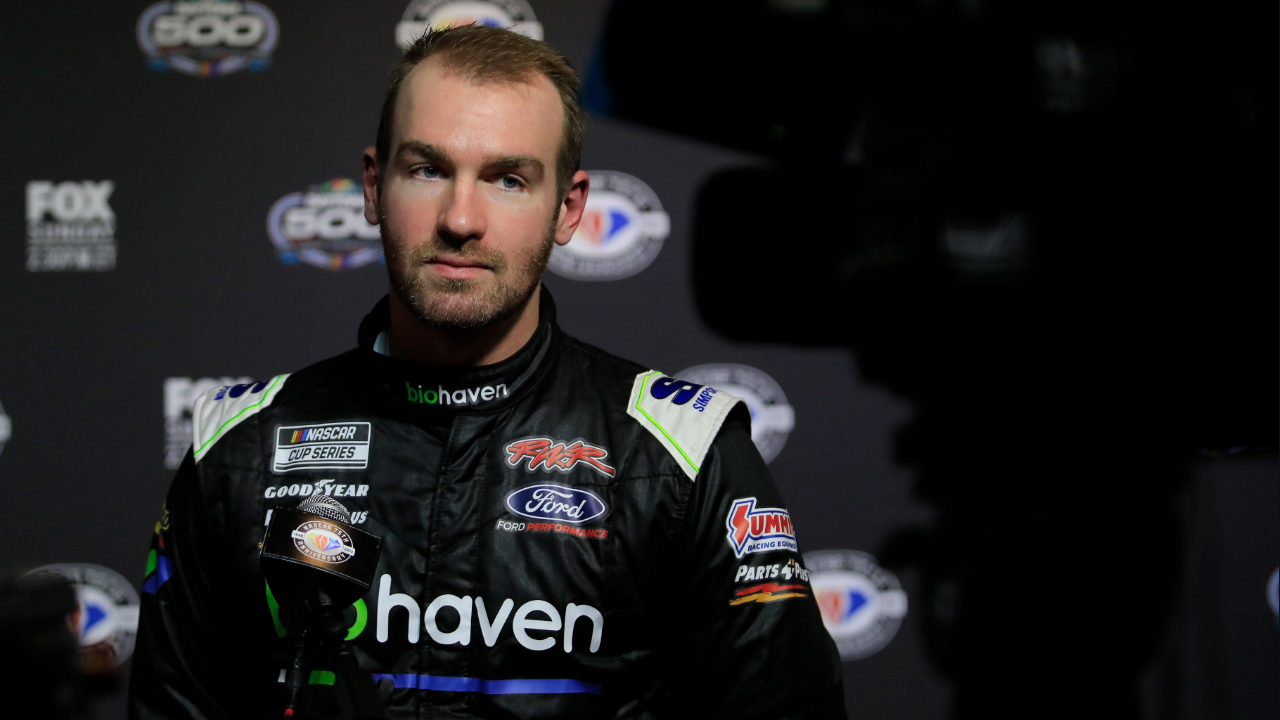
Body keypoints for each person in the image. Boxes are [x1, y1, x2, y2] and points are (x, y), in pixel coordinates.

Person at [129, 24, 845, 720]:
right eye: (428, 169)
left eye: (507, 178)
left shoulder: (680, 455)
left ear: (567, 209)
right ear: (375, 187)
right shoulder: (243, 451)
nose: (461, 218)